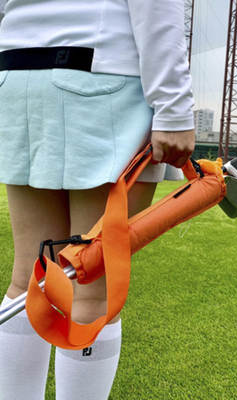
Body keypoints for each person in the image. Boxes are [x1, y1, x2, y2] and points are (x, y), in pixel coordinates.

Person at [0, 0, 195, 399]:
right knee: (91, 288)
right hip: (100, 78)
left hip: (16, 73)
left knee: (31, 279)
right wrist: (174, 107)